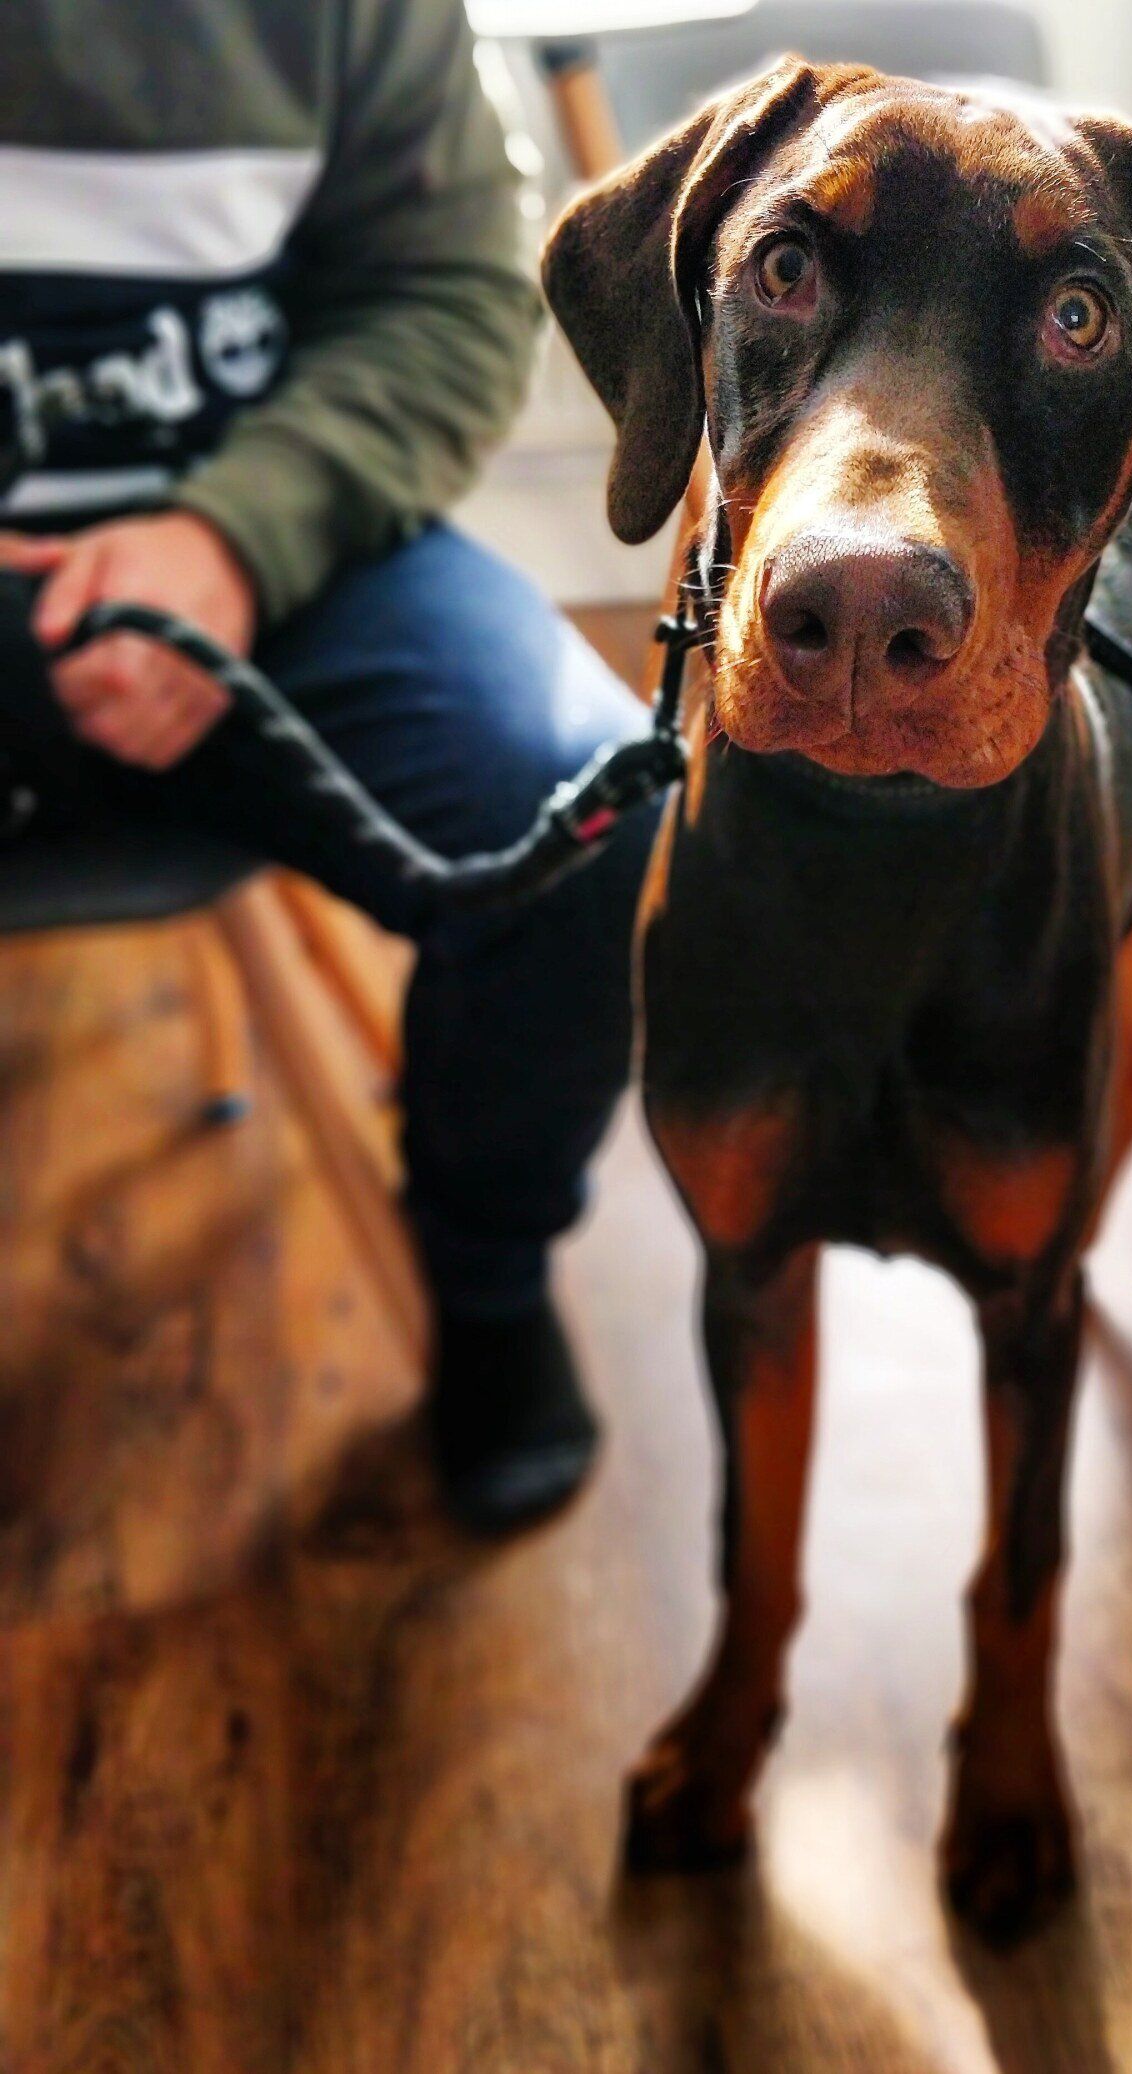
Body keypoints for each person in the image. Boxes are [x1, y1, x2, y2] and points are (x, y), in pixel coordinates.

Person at [0, 1, 657, 1533]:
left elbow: (450, 291)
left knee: (580, 801)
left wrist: (231, 537)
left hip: (278, 551)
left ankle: (487, 1281)